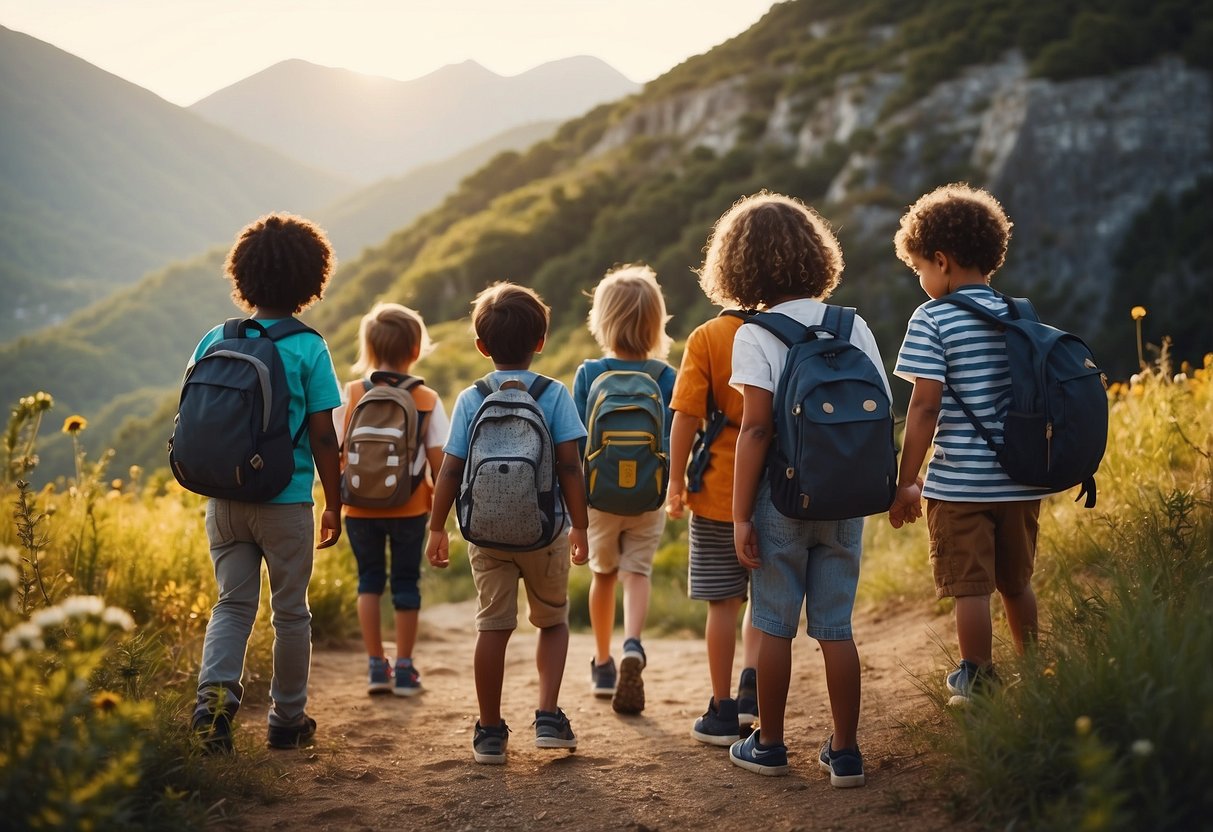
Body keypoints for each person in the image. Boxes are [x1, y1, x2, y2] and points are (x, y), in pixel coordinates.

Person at [702, 191, 888, 786]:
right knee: (836, 628)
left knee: (775, 624)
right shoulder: (851, 324)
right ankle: (846, 752)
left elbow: (755, 428)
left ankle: (772, 745)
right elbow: (882, 411)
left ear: (738, 265)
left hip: (779, 501)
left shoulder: (754, 334)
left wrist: (739, 517)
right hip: (846, 498)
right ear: (817, 254)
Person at [888, 183, 1047, 706]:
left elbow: (924, 408)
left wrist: (907, 479)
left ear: (942, 260)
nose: (922, 281)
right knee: (1016, 582)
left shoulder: (931, 319)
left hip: (959, 485)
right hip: (1021, 480)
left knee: (971, 588)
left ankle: (977, 678)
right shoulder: (1018, 313)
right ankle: (1037, 673)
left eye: (920, 270)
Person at [189, 213, 343, 752]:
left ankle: (212, 710)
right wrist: (334, 504)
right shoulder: (308, 347)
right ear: (310, 279)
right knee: (290, 612)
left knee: (231, 605)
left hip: (224, 499)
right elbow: (324, 438)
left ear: (243, 275)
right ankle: (287, 720)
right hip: (285, 501)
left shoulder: (215, 337)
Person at [424, 281, 589, 765]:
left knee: (492, 628)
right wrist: (579, 525)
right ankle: (547, 716)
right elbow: (570, 467)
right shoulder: (554, 395)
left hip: (486, 534)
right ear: (541, 341)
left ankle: (490, 732)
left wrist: (437, 528)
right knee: (553, 622)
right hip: (545, 531)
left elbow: (452, 469)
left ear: (481, 347)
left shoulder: (472, 397)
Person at [571, 265, 676, 715]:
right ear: (657, 321)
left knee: (603, 575)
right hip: (649, 495)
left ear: (602, 320)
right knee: (638, 572)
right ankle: (633, 642)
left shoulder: (590, 372)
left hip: (598, 496)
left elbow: (573, 444)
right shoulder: (665, 375)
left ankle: (602, 662)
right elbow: (674, 439)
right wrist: (675, 490)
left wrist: (572, 505)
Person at [336, 303, 449, 697]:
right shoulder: (427, 399)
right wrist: (441, 518)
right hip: (410, 507)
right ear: (416, 349)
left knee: (368, 581)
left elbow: (333, 451)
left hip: (358, 508)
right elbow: (441, 465)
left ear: (367, 348)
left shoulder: (350, 394)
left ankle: (373, 667)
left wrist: (334, 505)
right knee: (406, 583)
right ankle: (404, 669)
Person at [666, 308, 761, 745]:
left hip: (720, 487)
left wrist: (674, 481)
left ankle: (722, 710)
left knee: (723, 604)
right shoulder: (792, 327)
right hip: (779, 489)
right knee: (765, 599)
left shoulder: (708, 336)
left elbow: (686, 415)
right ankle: (752, 690)